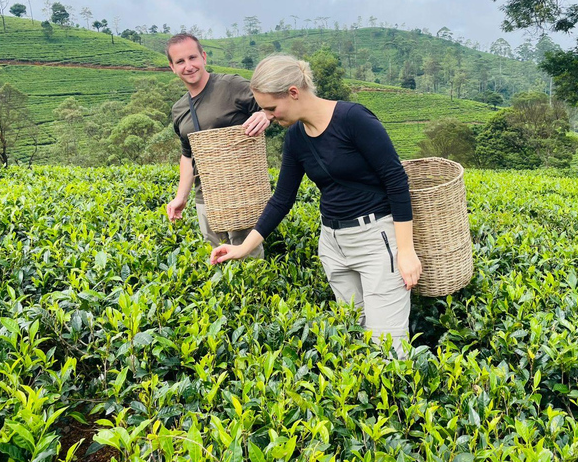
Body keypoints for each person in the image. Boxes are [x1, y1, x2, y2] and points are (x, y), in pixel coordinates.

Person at [210, 54, 421, 359]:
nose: (267, 116)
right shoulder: (296, 137)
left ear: (293, 92)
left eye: (271, 108)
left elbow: (396, 181)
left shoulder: (353, 120)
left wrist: (406, 250)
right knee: (354, 333)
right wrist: (242, 248)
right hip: (333, 244)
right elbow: (282, 199)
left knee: (388, 348)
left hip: (377, 240)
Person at [165, 33, 270, 257]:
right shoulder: (179, 108)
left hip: (240, 194)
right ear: (172, 67)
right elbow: (187, 155)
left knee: (248, 261)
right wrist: (180, 197)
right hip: (205, 198)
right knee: (218, 261)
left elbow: (274, 103)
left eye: (192, 57)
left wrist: (266, 115)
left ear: (203, 57)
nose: (188, 66)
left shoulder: (230, 85)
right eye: (180, 61)